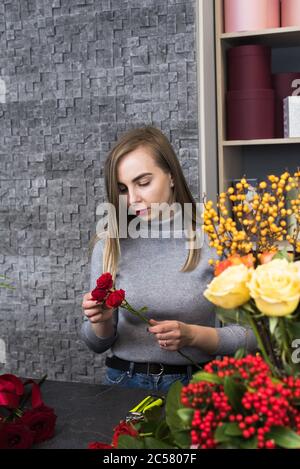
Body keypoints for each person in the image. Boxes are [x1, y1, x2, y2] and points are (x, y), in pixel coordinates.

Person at [81, 126, 257, 391]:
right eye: (123, 188)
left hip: (196, 386)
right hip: (123, 383)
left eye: (143, 183)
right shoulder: (110, 245)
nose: (133, 199)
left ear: (172, 176)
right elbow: (96, 344)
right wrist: (101, 321)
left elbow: (252, 336)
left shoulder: (215, 238)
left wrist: (194, 335)